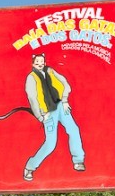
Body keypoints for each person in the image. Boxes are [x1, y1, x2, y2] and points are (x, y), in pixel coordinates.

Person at [23, 53, 85, 181]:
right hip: (48, 113)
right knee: (51, 143)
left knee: (74, 130)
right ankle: (30, 167)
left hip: (61, 106)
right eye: (37, 62)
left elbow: (64, 83)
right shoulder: (31, 78)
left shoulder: (50, 71)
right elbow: (32, 98)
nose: (40, 64)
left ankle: (78, 161)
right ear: (33, 64)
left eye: (42, 61)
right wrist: (40, 116)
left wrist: (65, 100)